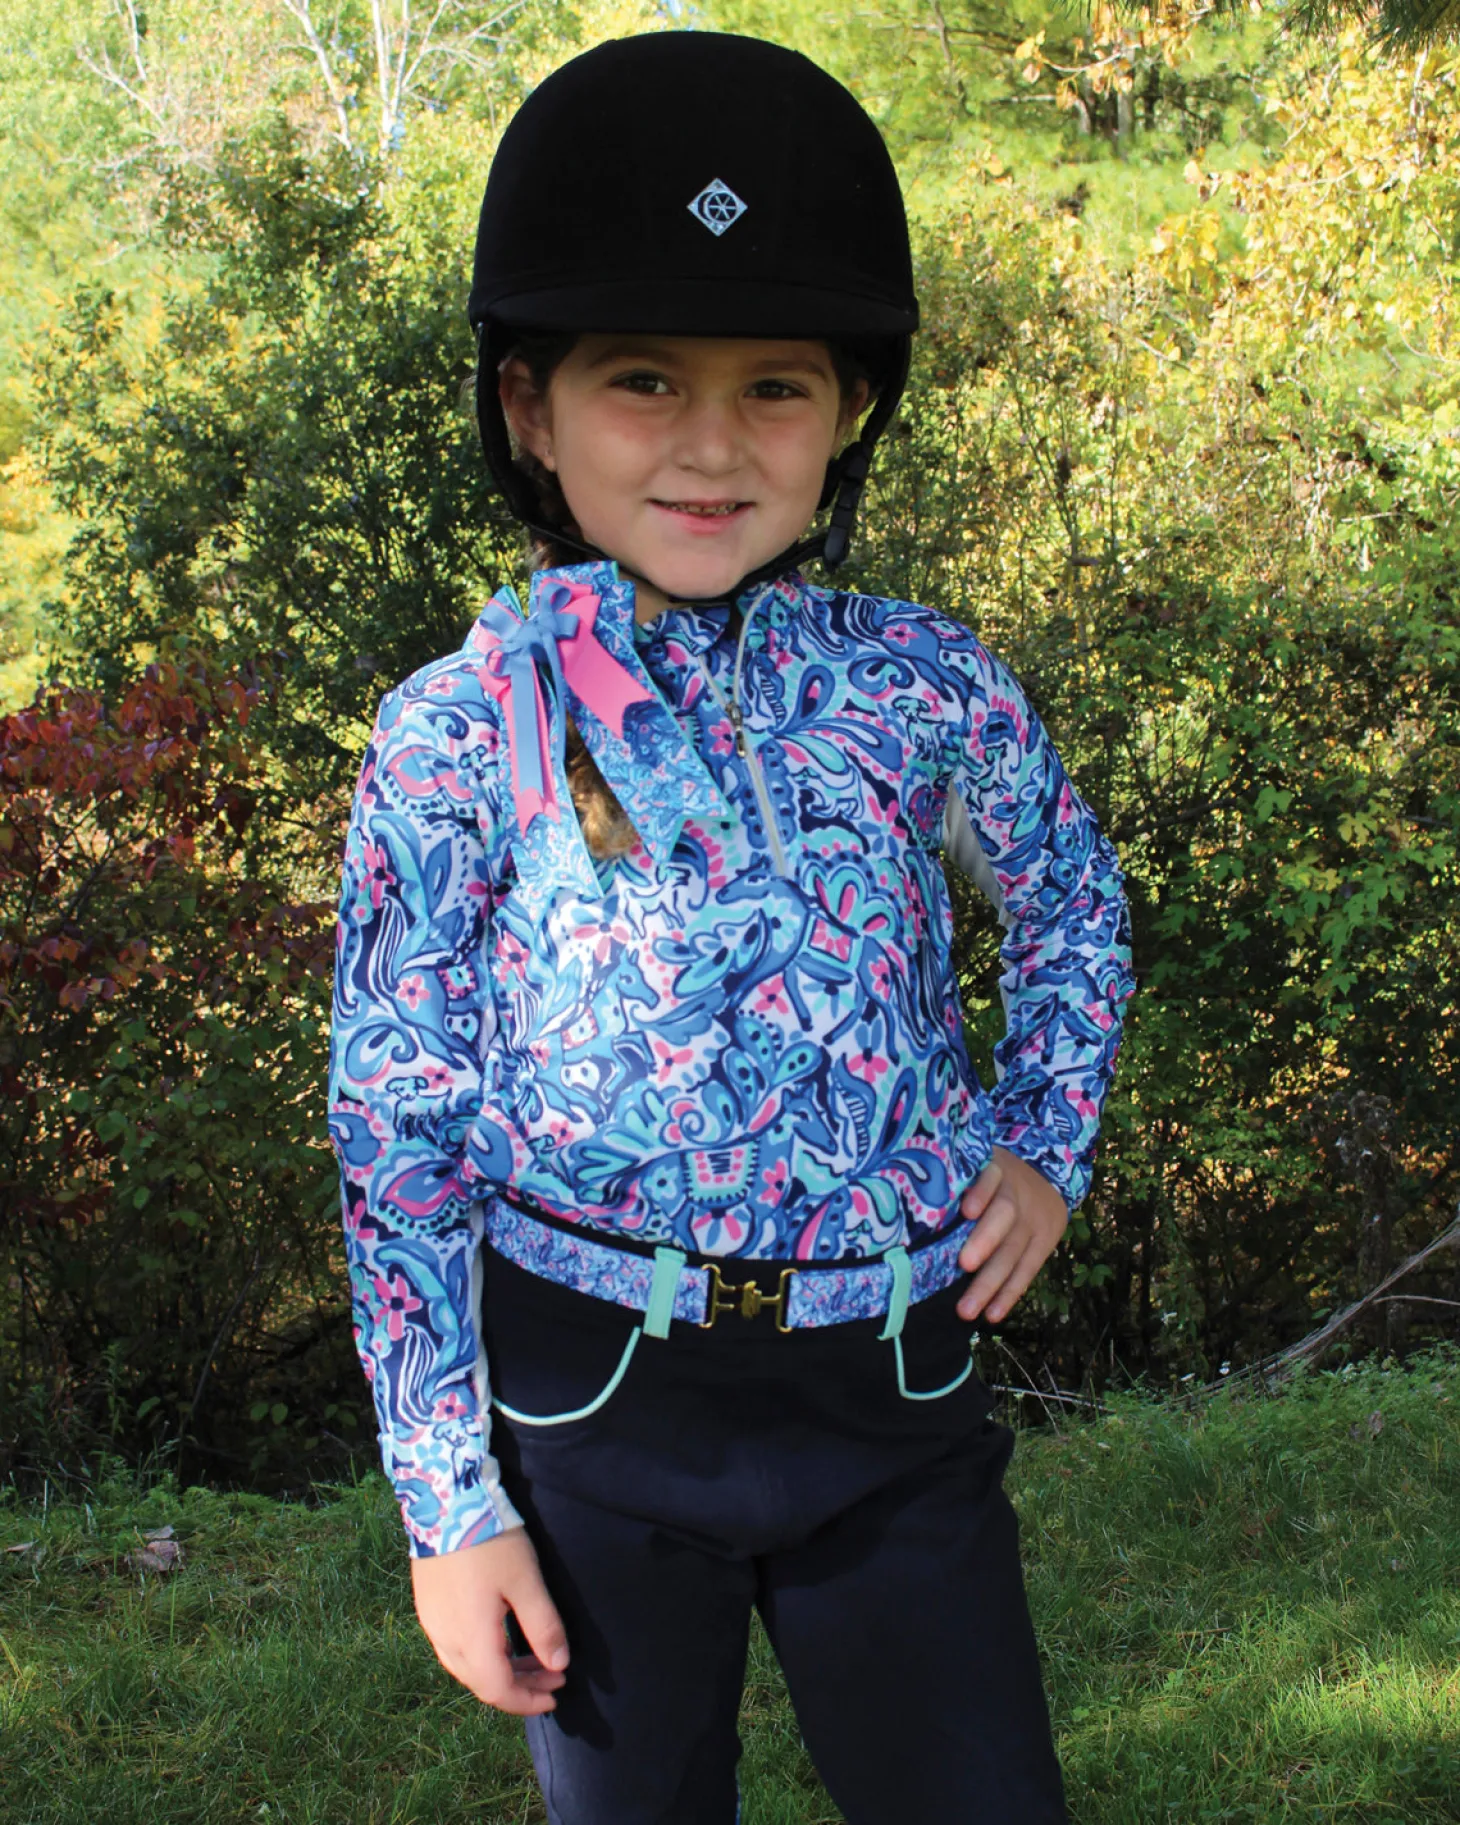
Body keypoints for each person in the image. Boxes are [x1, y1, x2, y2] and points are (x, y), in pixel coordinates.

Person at [328, 30, 1134, 1825]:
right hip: (593, 1413)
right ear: (531, 407)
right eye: (643, 380)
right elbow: (395, 1119)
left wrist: (1047, 1138)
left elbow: (1073, 901)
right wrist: (450, 1506)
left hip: (893, 1387)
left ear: (850, 410)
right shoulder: (458, 731)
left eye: (775, 385)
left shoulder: (923, 684)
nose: (711, 445)